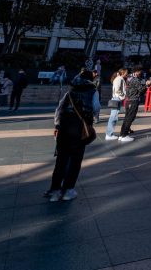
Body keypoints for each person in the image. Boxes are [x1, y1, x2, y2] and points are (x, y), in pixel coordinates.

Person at [47, 69, 98, 202]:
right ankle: (68, 190)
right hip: (79, 127)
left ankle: (55, 190)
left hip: (64, 126)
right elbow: (96, 107)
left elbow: (59, 109)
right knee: (75, 160)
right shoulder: (92, 90)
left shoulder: (70, 90)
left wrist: (57, 125)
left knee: (61, 159)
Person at [118, 66, 149, 142]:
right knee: (130, 117)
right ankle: (124, 135)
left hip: (128, 100)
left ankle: (122, 134)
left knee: (127, 117)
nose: (140, 73)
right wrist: (147, 85)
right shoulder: (135, 80)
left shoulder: (128, 78)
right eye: (140, 72)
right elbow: (141, 90)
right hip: (133, 100)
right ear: (137, 71)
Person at [104, 68, 128, 140]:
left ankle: (109, 134)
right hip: (117, 98)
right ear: (123, 72)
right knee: (113, 117)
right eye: (126, 72)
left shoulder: (119, 78)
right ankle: (109, 134)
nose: (127, 73)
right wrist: (122, 95)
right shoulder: (119, 79)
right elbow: (117, 89)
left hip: (116, 98)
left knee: (113, 116)